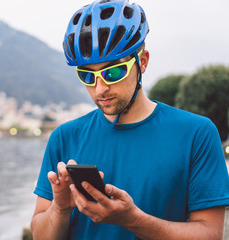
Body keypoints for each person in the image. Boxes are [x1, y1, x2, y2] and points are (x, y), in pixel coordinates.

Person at [31, 0, 229, 239]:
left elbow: (210, 234)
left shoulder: (197, 134)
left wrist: (133, 220)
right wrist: (60, 208)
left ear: (142, 62)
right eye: (87, 75)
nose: (100, 89)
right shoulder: (63, 137)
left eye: (113, 72)